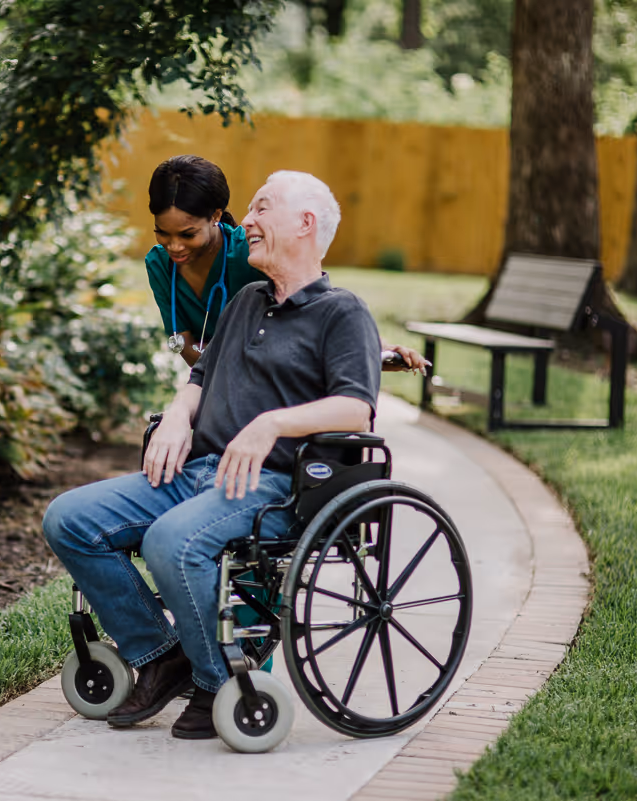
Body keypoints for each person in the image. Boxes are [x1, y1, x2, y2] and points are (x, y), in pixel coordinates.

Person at [45, 170, 381, 740]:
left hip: (270, 483)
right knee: (69, 520)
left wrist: (272, 424)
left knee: (170, 543)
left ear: (304, 224)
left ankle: (218, 679)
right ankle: (162, 654)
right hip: (196, 472)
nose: (245, 221)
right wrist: (178, 415)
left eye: (260, 209)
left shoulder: (342, 313)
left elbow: (356, 410)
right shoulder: (248, 300)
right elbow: (197, 377)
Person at [144, 154, 427, 372]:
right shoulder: (159, 264)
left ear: (216, 216)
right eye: (162, 233)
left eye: (187, 234)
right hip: (220, 383)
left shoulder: (250, 253)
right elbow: (185, 347)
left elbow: (311, 301)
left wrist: (378, 347)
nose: (174, 246)